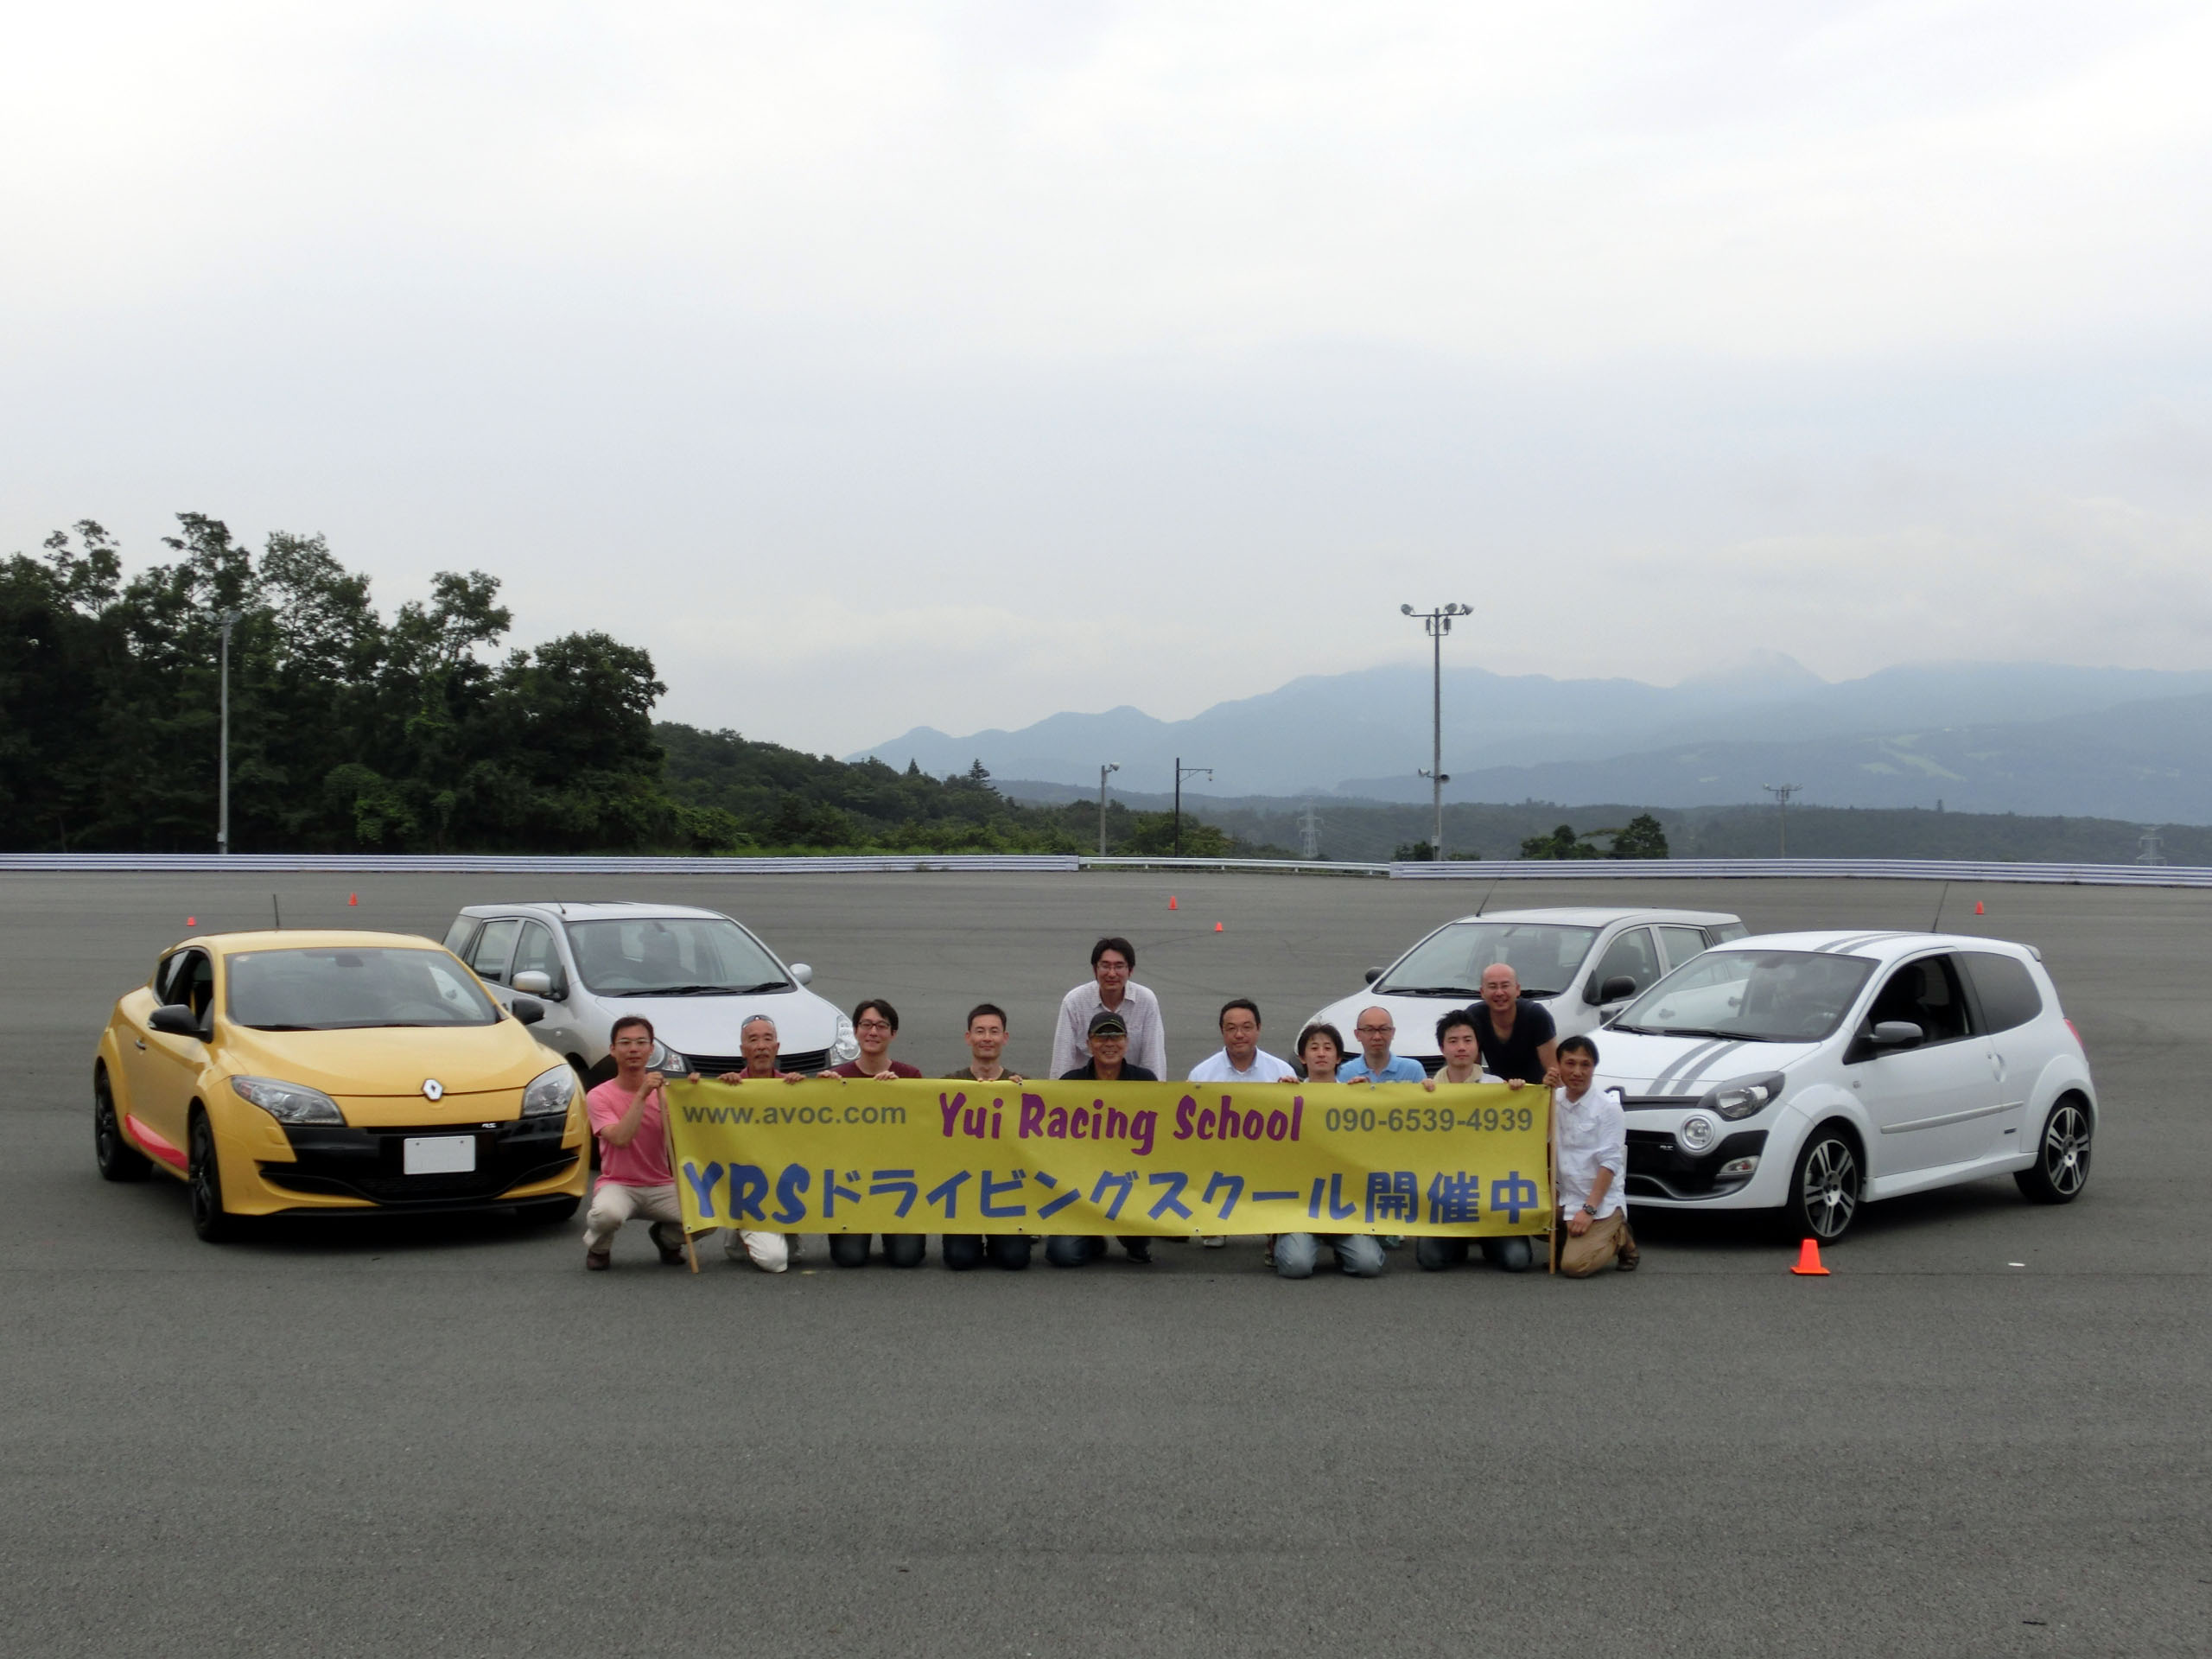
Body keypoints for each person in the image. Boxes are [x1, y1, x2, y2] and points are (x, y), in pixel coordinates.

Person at [1414, 1007, 1535, 1274]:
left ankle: (1489, 1240)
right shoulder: (1427, 1092)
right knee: (1430, 1259)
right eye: (1453, 1041)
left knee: (1517, 1261)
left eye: (1468, 1040)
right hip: (1447, 1195)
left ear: (1478, 1045)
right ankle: (1459, 1242)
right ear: (1442, 1048)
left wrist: (1519, 1095)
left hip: (1492, 1199)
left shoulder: (1497, 1087)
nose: (1461, 1047)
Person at [1271, 1021, 1385, 1281]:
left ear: (1338, 1057)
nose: (1321, 1053)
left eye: (1327, 1048)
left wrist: (1368, 1097)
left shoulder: (1354, 1095)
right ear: (1302, 1057)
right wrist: (1278, 1096)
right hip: (1301, 1206)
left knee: (1368, 1265)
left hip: (1344, 1206)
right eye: (1314, 1048)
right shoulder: (1288, 1095)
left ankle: (1342, 1250)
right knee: (1297, 1266)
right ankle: (1282, 1240)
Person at [1047, 1010, 1160, 1268]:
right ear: (1089, 1043)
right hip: (1081, 1186)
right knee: (1062, 1255)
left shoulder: (1145, 1081)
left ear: (1126, 1042)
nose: (1109, 1043)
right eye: (1101, 1037)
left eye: (1116, 1036)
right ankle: (1094, 1239)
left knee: (1140, 1241)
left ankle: (1134, 1239)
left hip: (1131, 1182)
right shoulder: (1070, 1083)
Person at [580, 1016, 690, 1271]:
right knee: (606, 1215)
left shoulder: (667, 1092)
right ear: (612, 1050)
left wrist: (694, 1089)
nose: (633, 1049)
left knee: (705, 1219)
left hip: (660, 1183)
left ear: (651, 1049)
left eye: (641, 1043)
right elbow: (620, 1138)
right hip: (618, 1183)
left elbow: (689, 1135)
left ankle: (666, 1239)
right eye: (625, 1043)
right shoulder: (598, 1095)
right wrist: (642, 1094)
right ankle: (599, 1248)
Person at [1186, 1000, 1297, 1247]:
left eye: (1247, 1027)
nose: (1239, 1035)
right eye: (1231, 1028)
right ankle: (1215, 1220)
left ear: (1259, 1028)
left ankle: (1274, 1228)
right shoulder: (1201, 1075)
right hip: (1220, 1155)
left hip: (1268, 1155)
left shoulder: (1281, 1071)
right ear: (1222, 1031)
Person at [823, 998, 925, 1268]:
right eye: (866, 1025)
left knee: (907, 1258)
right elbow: (820, 1134)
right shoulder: (837, 1078)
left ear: (893, 1034)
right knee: (849, 1258)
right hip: (851, 1182)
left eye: (881, 1026)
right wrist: (822, 1093)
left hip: (897, 1181)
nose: (873, 1032)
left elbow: (923, 1132)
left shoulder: (910, 1076)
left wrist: (900, 1092)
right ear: (856, 1031)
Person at [942, 1004, 1033, 1271]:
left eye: (994, 1031)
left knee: (1015, 1259)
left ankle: (1000, 1239)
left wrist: (1021, 1097)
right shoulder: (948, 1085)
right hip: (962, 1190)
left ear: (1005, 1037)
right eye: (979, 1031)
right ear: (968, 1037)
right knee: (960, 1259)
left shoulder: (1022, 1085)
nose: (987, 1038)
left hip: (1007, 1190)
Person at [710, 1014, 798, 1271]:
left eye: (767, 1039)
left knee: (795, 1256)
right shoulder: (727, 1089)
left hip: (786, 1184)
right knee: (776, 1261)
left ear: (777, 1047)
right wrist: (699, 1088)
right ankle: (739, 1225)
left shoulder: (793, 1088)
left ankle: (768, 1233)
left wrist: (823, 1085)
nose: (761, 1046)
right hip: (749, 1190)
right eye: (753, 1040)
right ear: (743, 1050)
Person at [1550, 1033, 1637, 1275]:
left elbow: (1610, 1164)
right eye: (1570, 1063)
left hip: (1598, 1201)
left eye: (1585, 1065)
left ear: (1594, 1068)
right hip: (1566, 1195)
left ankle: (1619, 1234)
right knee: (1522, 1215)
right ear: (1558, 1066)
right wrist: (1543, 1088)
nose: (1577, 1072)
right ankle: (1570, 1239)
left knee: (1574, 1267)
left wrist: (1588, 1210)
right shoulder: (1552, 1099)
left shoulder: (1608, 1108)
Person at [1047, 936, 1168, 1080]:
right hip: (1085, 1086)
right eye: (1105, 966)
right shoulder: (1074, 1002)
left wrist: (1157, 1090)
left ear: (1130, 970)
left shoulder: (1146, 1000)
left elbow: (1154, 1058)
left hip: (1132, 1085)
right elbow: (1062, 1059)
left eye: (1119, 966)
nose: (1111, 974)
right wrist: (1058, 1091)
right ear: (1095, 970)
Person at [1472, 963, 1559, 1088]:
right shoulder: (1474, 1017)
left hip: (1535, 1091)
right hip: (1497, 1091)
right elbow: (1471, 1073)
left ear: (1518, 989)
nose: (1499, 992)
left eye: (1505, 986)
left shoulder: (1536, 1016)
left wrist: (1550, 1082)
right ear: (1482, 992)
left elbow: (1555, 1071)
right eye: (1492, 987)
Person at [1337, 1007, 1428, 1084]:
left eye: (1383, 1029)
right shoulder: (1344, 1072)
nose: (1377, 1037)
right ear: (1357, 1035)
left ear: (1393, 1033)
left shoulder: (1412, 1070)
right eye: (1369, 1030)